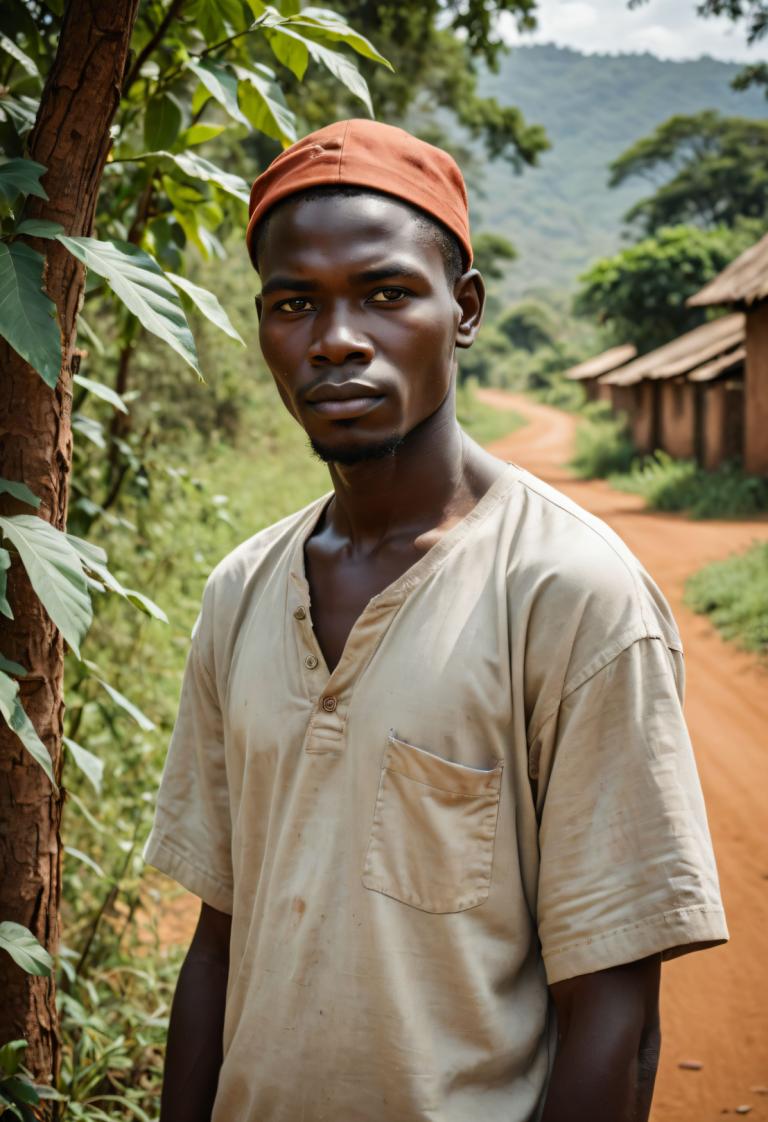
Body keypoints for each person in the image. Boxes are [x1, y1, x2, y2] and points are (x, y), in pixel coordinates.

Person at [144, 119, 728, 1122]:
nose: (335, 339)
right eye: (295, 305)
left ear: (462, 311)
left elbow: (617, 1018)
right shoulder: (242, 589)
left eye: (385, 294)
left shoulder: (570, 593)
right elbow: (217, 944)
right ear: (265, 329)